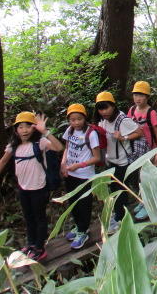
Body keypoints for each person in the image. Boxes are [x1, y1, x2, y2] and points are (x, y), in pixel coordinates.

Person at [0, 112, 63, 261]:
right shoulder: (14, 146)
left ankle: (39, 247)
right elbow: (3, 161)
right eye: (20, 127)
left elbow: (59, 147)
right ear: (16, 130)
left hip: (39, 188)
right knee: (29, 217)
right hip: (23, 188)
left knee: (39, 218)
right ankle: (31, 244)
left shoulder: (40, 142)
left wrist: (45, 131)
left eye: (28, 126)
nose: (24, 130)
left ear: (34, 128)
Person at [94, 91, 143, 233]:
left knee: (120, 191)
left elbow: (139, 132)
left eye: (106, 107)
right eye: (100, 108)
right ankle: (119, 215)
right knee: (114, 190)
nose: (104, 111)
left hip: (122, 162)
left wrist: (123, 137)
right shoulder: (102, 120)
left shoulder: (122, 120)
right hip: (110, 161)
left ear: (113, 106)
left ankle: (121, 219)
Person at [60, 104, 100, 250]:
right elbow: (67, 148)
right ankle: (78, 226)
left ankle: (83, 231)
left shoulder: (91, 134)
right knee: (73, 202)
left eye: (79, 119)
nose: (76, 122)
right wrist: (63, 162)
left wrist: (79, 165)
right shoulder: (69, 130)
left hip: (84, 175)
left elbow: (97, 157)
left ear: (84, 118)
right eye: (72, 119)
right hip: (70, 173)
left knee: (84, 204)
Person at [128, 81, 157, 220]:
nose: (138, 98)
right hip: (134, 150)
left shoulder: (151, 113)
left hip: (149, 150)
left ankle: (149, 206)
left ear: (147, 97)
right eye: (136, 95)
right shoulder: (132, 111)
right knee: (139, 178)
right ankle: (143, 201)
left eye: (141, 95)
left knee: (148, 179)